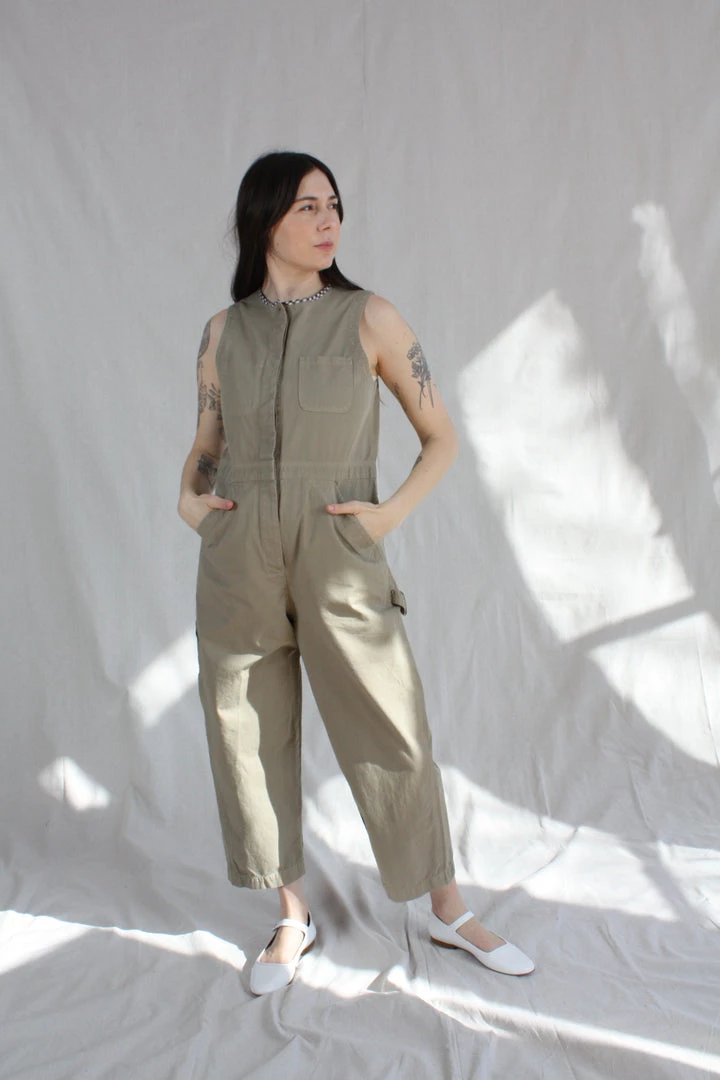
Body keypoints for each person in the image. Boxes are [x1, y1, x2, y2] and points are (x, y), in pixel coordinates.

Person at [177, 150, 534, 994]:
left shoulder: (371, 317)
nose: (329, 219)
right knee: (246, 732)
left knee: (392, 726)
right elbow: (206, 445)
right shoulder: (224, 332)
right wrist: (191, 503)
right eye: (308, 206)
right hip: (239, 560)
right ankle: (292, 914)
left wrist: (384, 517)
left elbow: (440, 437)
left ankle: (447, 910)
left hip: (339, 553)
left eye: (334, 204)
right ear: (265, 217)